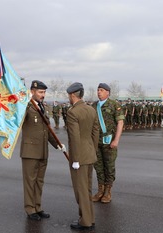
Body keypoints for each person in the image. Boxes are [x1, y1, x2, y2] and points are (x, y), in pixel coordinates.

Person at [20, 80, 66, 221]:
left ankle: (38, 207)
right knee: (30, 182)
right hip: (30, 151)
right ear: (32, 92)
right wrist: (22, 103)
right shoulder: (26, 106)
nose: (43, 95)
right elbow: (18, 121)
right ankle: (30, 209)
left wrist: (57, 144)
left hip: (42, 151)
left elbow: (46, 129)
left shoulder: (42, 107)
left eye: (44, 92)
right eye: (40, 92)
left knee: (39, 181)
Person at [65, 82, 99, 231]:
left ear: (73, 95)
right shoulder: (91, 109)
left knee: (81, 189)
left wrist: (76, 159)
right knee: (88, 189)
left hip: (79, 156)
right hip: (90, 153)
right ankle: (89, 218)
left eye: (69, 96)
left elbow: (75, 137)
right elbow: (95, 132)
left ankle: (85, 221)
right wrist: (93, 150)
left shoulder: (73, 112)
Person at [91, 83, 124, 203]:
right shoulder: (93, 106)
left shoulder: (114, 105)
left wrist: (116, 140)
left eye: (101, 90)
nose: (99, 92)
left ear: (108, 92)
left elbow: (120, 123)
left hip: (109, 141)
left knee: (109, 167)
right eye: (98, 90)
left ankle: (108, 191)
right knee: (98, 167)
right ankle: (100, 190)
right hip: (96, 142)